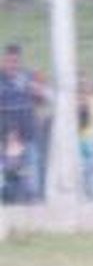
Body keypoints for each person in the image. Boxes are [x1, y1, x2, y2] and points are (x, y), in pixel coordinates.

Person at [0, 42, 45, 203]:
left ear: (20, 61)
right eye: (9, 61)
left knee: (31, 163)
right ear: (3, 60)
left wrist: (37, 90)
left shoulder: (28, 76)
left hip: (27, 128)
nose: (12, 65)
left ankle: (33, 197)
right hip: (4, 130)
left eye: (16, 61)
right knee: (4, 166)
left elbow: (41, 100)